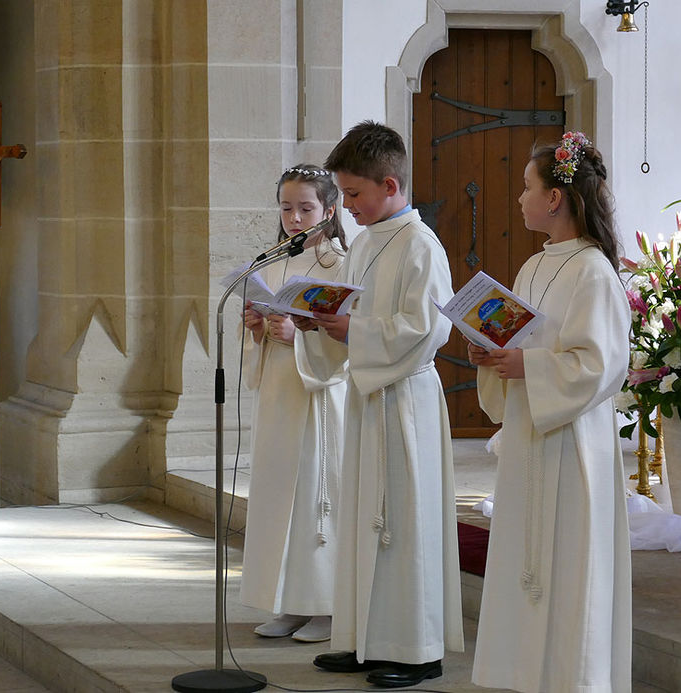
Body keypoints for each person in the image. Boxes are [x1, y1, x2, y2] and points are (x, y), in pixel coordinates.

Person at [293, 121, 464, 688]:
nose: (348, 206)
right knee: (365, 518)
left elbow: (425, 329)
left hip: (405, 400)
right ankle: (365, 639)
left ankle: (416, 650)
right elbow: (347, 312)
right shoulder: (364, 242)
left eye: (355, 194)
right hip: (369, 398)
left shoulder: (422, 246)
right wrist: (315, 322)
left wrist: (352, 330)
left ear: (391, 186)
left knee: (405, 526)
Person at [468, 132, 632, 693]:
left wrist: (528, 366)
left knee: (568, 571)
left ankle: (571, 680)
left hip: (572, 446)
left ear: (556, 198)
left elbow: (601, 364)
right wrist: (492, 357)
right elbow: (522, 340)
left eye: (527, 188)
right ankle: (520, 677)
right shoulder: (533, 268)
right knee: (522, 563)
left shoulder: (593, 272)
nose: (520, 199)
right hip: (527, 440)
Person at [239, 164, 348, 644]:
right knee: (279, 496)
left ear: (329, 209)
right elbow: (262, 338)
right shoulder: (271, 263)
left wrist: (298, 339)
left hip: (319, 395)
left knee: (314, 499)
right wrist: (259, 331)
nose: (295, 218)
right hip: (279, 395)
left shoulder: (340, 265)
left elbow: (346, 345)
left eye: (306, 208)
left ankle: (324, 605)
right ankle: (286, 602)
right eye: (287, 207)